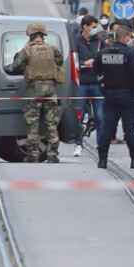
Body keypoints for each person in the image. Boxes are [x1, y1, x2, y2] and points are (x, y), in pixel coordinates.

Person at [93, 26, 134, 169]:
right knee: (129, 128)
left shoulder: (103, 53)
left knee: (107, 128)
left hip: (109, 94)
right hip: (126, 94)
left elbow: (95, 69)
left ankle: (102, 159)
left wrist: (102, 84)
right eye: (128, 37)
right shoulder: (128, 52)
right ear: (123, 38)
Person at [12, 21, 65, 163]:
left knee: (33, 123)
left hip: (34, 91)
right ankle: (52, 154)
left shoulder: (28, 51)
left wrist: (23, 51)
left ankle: (33, 154)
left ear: (30, 35)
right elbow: (59, 62)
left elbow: (15, 66)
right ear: (43, 35)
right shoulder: (52, 49)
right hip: (50, 91)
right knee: (51, 123)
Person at [73, 14, 103, 157]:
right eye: (93, 27)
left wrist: (96, 63)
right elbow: (73, 62)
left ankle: (101, 144)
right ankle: (78, 143)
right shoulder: (76, 42)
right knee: (80, 114)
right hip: (82, 83)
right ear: (85, 27)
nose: (95, 30)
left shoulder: (98, 42)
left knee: (100, 116)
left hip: (97, 83)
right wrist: (85, 64)